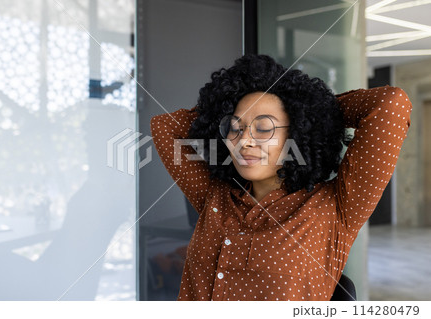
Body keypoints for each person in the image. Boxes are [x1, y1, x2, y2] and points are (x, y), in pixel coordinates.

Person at [149, 53, 413, 301]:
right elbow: (164, 126)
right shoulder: (215, 195)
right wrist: (217, 109)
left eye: (263, 128)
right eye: (235, 127)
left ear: (298, 132)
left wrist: (317, 111)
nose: (245, 141)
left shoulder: (336, 208)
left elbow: (391, 105)